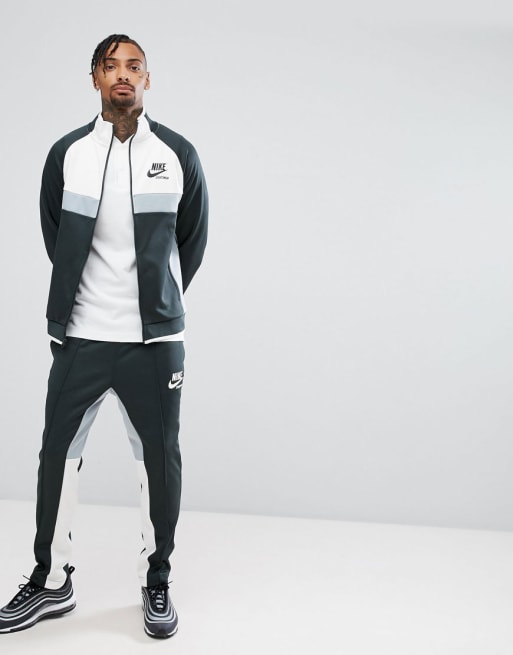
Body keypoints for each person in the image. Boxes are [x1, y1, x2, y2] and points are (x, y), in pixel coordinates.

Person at [0, 34, 208, 639]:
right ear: (94, 78)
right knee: (56, 458)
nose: (123, 75)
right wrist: (83, 301)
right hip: (82, 337)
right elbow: (56, 237)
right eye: (111, 66)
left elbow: (191, 242)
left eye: (134, 66)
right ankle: (51, 581)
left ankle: (156, 580)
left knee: (159, 461)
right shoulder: (67, 154)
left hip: (154, 345)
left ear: (148, 79)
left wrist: (159, 304)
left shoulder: (178, 154)